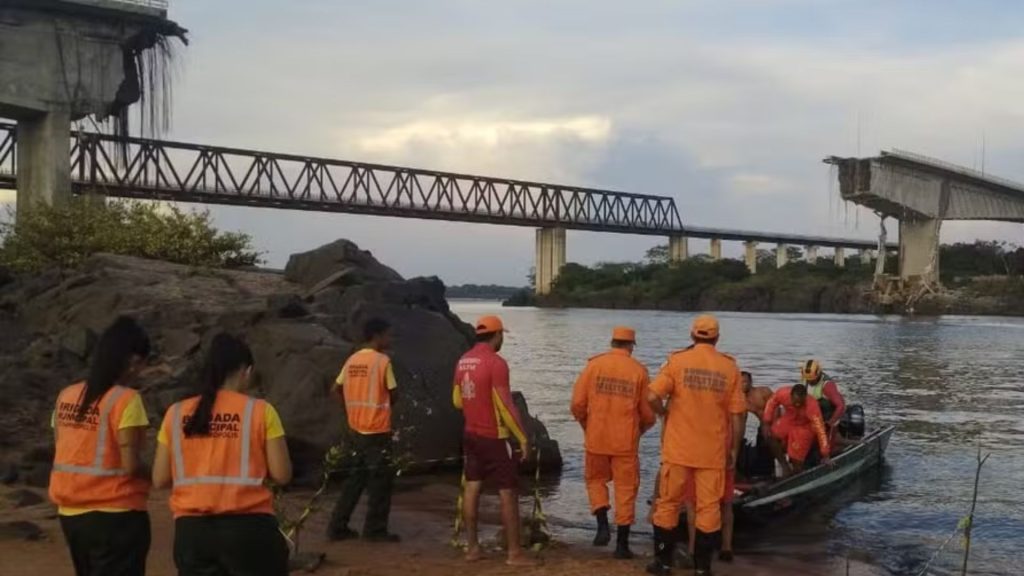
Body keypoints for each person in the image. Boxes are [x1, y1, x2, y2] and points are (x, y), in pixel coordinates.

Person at [153, 333, 293, 576]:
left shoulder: (175, 413)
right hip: (249, 530)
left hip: (192, 533)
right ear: (246, 371)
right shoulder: (261, 411)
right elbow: (282, 475)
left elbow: (160, 479)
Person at [50, 316, 153, 576]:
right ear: (132, 361)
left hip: (71, 515)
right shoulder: (127, 400)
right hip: (116, 513)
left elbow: (62, 446)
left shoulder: (67, 396)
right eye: (142, 364)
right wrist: (162, 474)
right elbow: (131, 465)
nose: (141, 371)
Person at [647, 315, 746, 576]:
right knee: (709, 509)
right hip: (712, 453)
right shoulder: (729, 368)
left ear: (692, 336)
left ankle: (663, 563)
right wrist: (734, 450)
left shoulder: (677, 362)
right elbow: (737, 415)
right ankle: (703, 568)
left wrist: (664, 413)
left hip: (678, 450)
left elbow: (651, 396)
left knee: (667, 503)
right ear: (717, 338)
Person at [452, 315, 534, 566]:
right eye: (502, 336)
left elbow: (456, 400)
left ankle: (473, 548)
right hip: (495, 437)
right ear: (497, 335)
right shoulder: (496, 363)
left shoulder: (463, 360)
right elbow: (506, 405)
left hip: (471, 434)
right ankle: (514, 554)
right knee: (508, 492)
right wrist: (522, 438)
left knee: (473, 487)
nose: (502, 340)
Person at [570, 326, 656, 559]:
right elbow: (648, 414)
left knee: (595, 480)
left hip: (596, 438)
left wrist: (587, 426)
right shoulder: (639, 371)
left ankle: (601, 525)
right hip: (625, 442)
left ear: (612, 342)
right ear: (631, 346)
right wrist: (640, 430)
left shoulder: (594, 366)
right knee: (626, 490)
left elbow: (577, 404)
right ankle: (622, 545)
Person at [327, 317, 401, 542]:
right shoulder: (382, 361)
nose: (390, 338)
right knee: (381, 481)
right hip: (377, 430)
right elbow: (393, 393)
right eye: (388, 334)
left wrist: (350, 411)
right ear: (377, 335)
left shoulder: (352, 360)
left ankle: (337, 526)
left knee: (355, 479)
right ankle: (375, 530)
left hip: (356, 429)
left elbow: (334, 389)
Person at [762, 383, 831, 476]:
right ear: (790, 396)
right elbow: (772, 402)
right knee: (770, 435)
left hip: (805, 426)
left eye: (800, 402)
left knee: (796, 457)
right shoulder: (782, 393)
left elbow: (820, 430)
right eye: (795, 402)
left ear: (805, 398)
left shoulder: (812, 406)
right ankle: (784, 465)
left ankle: (796, 472)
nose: (797, 404)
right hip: (789, 419)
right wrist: (766, 421)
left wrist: (825, 454)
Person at [800, 360, 846, 438]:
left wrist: (830, 423)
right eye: (808, 379)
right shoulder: (805, 379)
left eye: (812, 379)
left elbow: (841, 406)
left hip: (828, 418)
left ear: (818, 374)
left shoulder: (827, 386)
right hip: (813, 417)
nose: (809, 381)